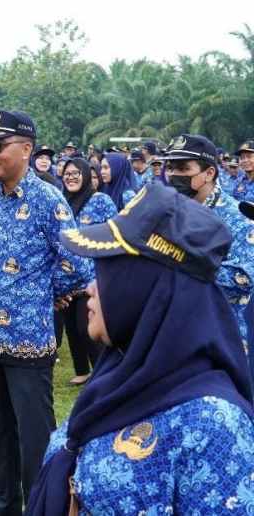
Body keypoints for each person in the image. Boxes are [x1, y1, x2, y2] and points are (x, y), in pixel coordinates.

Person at [28, 182, 254, 515]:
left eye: (106, 273)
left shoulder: (213, 423)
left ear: (147, 288)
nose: (90, 289)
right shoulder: (123, 371)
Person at [0, 110, 92, 515]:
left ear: (26, 149)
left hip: (28, 340)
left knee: (34, 436)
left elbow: (77, 263)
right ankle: (4, 504)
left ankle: (41, 506)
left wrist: (42, 294)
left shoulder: (46, 199)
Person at [162, 134, 254, 380]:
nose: (173, 175)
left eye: (183, 168)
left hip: (222, 336)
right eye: (170, 167)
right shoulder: (172, 212)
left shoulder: (238, 217)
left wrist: (185, 266)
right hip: (177, 331)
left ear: (209, 173)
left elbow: (243, 278)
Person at [56, 158, 117, 385]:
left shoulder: (100, 200)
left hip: (93, 276)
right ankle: (82, 370)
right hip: (66, 277)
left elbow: (115, 232)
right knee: (71, 327)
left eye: (75, 173)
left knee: (86, 328)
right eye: (67, 174)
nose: (71, 177)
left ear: (85, 174)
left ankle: (104, 374)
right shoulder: (62, 202)